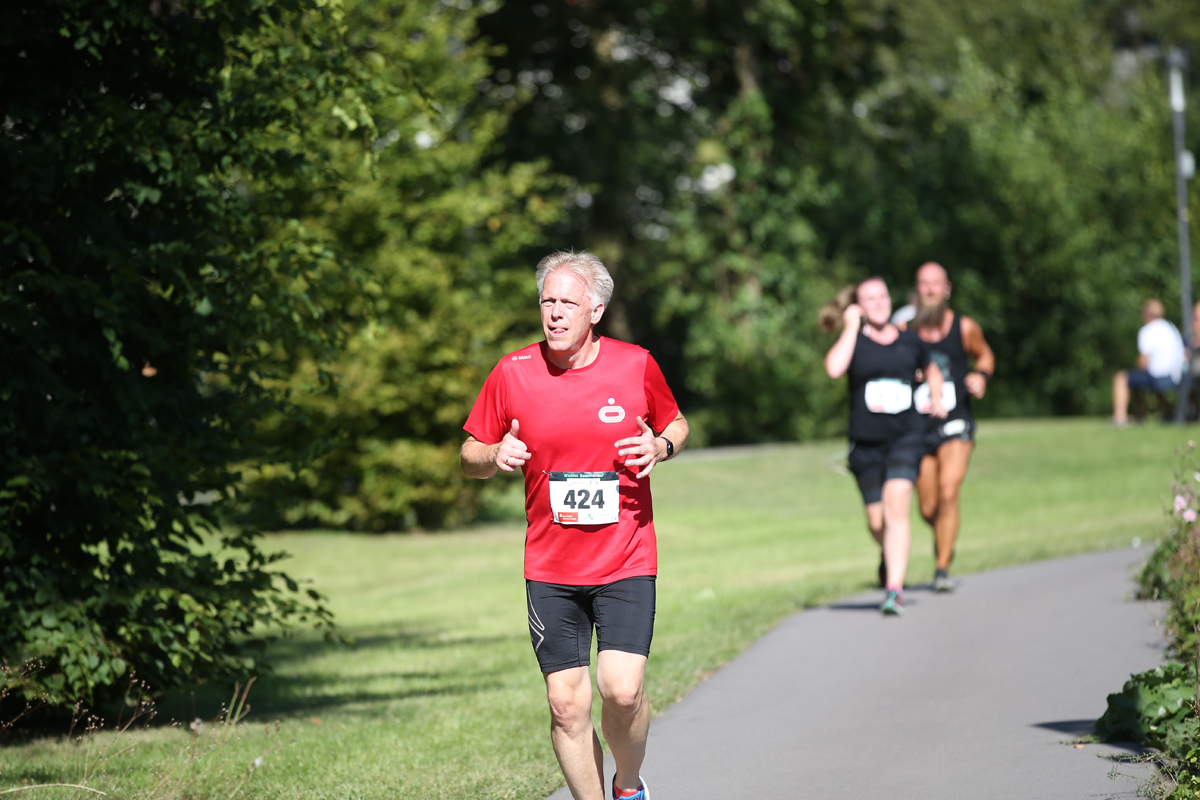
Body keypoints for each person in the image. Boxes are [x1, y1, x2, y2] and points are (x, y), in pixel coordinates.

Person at [461, 250, 688, 800]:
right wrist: (493, 455)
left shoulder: (635, 364)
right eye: (547, 301)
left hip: (625, 556)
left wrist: (659, 445)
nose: (555, 313)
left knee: (622, 689)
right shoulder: (512, 372)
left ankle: (628, 788)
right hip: (550, 565)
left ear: (597, 310)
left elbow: (677, 423)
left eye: (568, 302)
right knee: (566, 704)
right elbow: (469, 451)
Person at [821, 277, 946, 616]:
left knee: (897, 509)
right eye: (869, 299)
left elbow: (932, 370)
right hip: (865, 444)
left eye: (882, 296)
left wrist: (936, 397)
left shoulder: (910, 341)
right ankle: (890, 554)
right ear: (859, 305)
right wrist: (850, 325)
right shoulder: (855, 341)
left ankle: (893, 590)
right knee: (877, 523)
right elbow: (833, 369)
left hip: (907, 436)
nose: (878, 303)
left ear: (890, 300)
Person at [902, 262, 995, 593]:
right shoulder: (905, 329)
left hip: (956, 421)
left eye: (935, 284)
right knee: (928, 507)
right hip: (917, 425)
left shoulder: (964, 326)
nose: (930, 290)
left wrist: (980, 376)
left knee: (948, 491)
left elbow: (985, 355)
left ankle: (942, 568)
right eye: (924, 284)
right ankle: (945, 537)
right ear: (917, 289)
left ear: (947, 289)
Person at [1111, 299, 1185, 426]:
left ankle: (1120, 417)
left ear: (1147, 314)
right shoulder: (1172, 328)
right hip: (1176, 376)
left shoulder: (1148, 330)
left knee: (1121, 378)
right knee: (1142, 381)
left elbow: (1143, 362)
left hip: (1157, 376)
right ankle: (1166, 411)